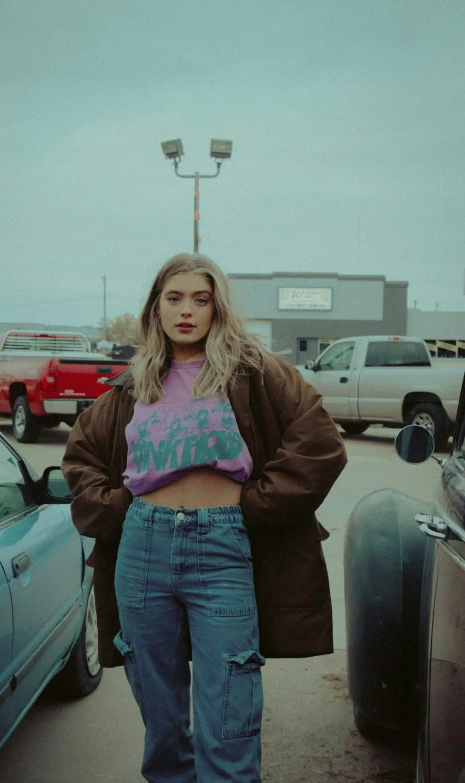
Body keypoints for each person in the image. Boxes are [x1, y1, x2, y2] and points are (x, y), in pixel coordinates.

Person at [61, 253, 347, 783]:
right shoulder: (133, 383)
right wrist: (121, 506)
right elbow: (81, 458)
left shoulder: (253, 372)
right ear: (156, 307)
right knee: (162, 718)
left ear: (218, 307)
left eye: (201, 298)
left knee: (230, 708)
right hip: (143, 549)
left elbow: (320, 446)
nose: (187, 311)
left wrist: (253, 506)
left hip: (223, 549)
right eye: (174, 298)